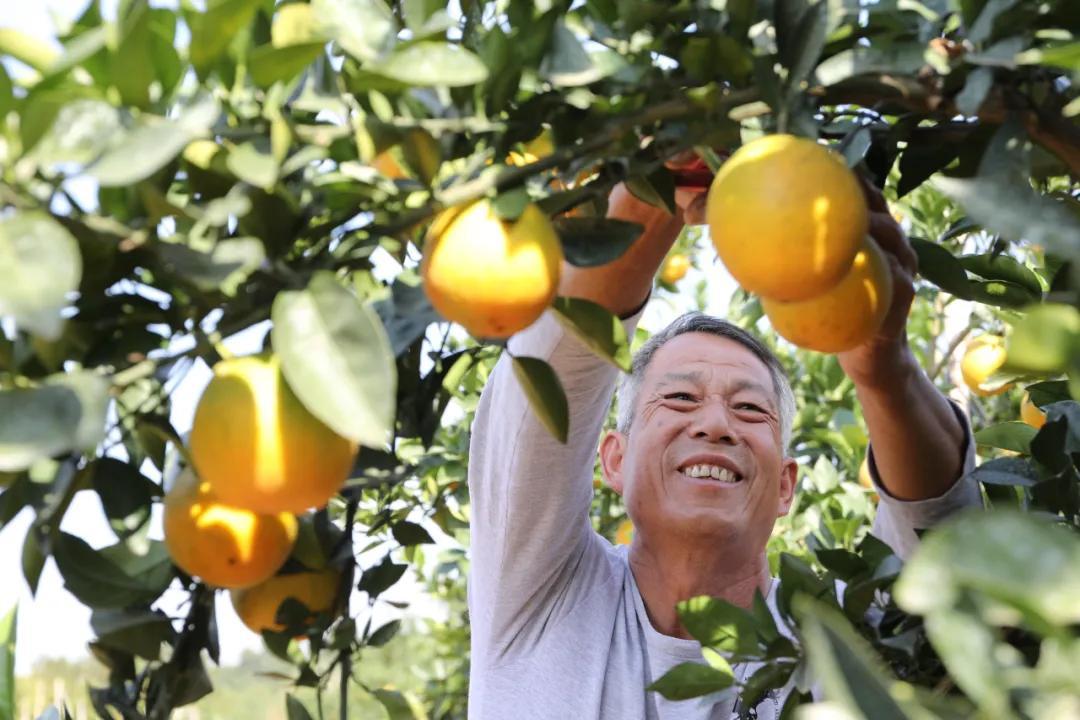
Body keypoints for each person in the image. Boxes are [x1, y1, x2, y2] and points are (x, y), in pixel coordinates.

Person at [466, 178, 982, 719]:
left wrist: (885, 368)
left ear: (786, 486)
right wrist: (657, 184)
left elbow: (939, 535)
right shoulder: (541, 594)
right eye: (681, 397)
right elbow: (555, 373)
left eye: (750, 410)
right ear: (615, 458)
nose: (715, 424)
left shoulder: (840, 650)